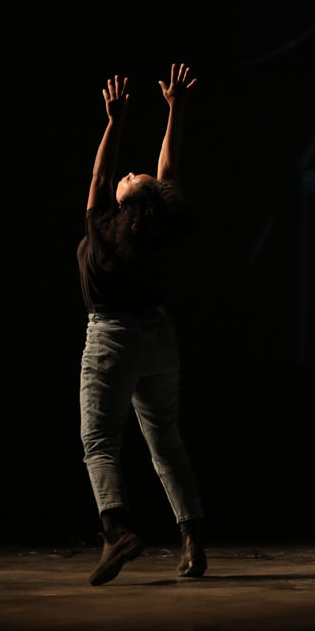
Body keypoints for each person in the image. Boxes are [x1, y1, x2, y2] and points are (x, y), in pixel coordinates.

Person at [77, 62, 206, 586]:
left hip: (112, 338)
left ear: (129, 205)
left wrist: (115, 121)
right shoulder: (160, 233)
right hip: (158, 338)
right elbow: (168, 176)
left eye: (134, 179)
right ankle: (192, 541)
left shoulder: (103, 231)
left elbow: (99, 177)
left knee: (99, 441)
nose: (131, 173)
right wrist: (175, 112)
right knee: (166, 442)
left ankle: (115, 531)